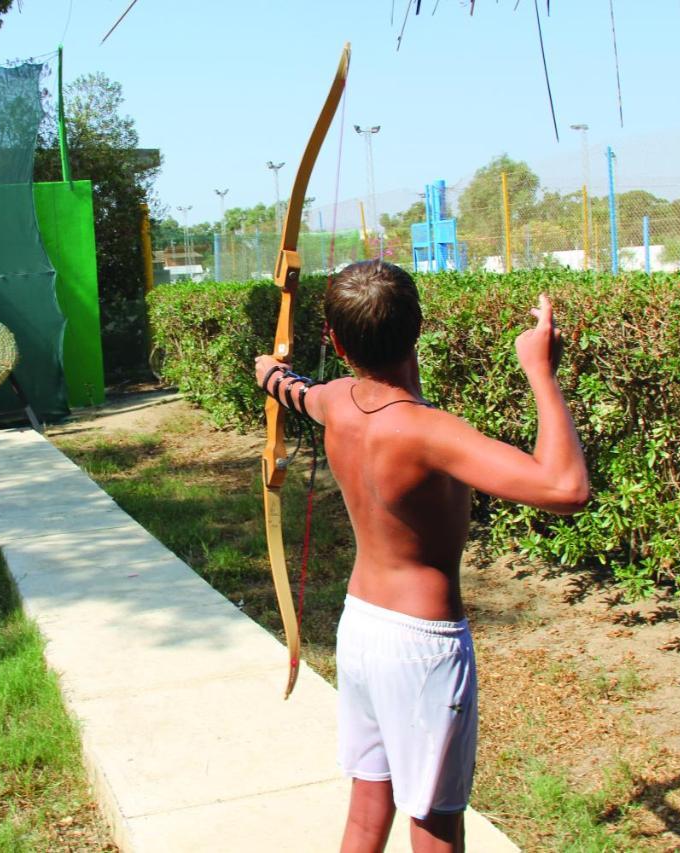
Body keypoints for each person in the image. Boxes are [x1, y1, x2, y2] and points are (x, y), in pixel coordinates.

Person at [254, 260, 589, 853]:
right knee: (435, 827)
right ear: (419, 329)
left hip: (360, 627)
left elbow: (295, 391)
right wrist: (541, 371)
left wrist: (270, 374)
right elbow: (565, 488)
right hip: (422, 648)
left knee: (366, 811)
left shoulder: (336, 402)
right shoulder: (429, 432)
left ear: (334, 339)